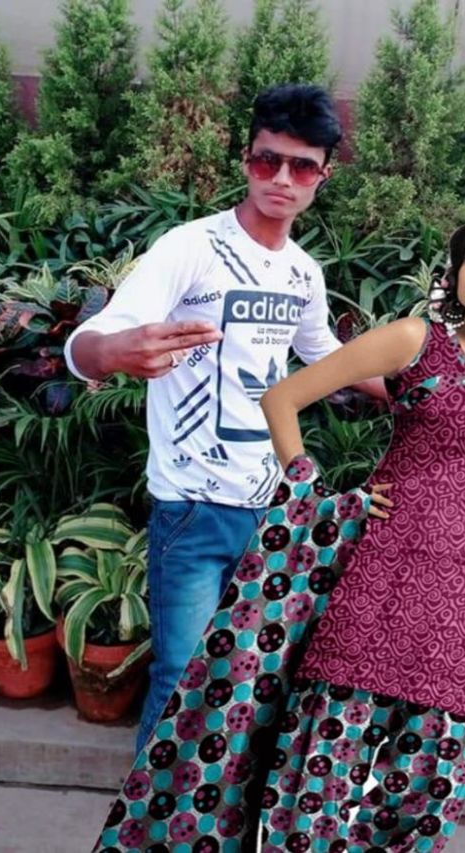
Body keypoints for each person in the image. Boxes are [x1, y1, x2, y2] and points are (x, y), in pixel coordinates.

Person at [64, 83, 386, 752]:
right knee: (180, 677)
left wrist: (416, 389)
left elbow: (324, 354)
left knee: (244, 676)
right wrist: (112, 352)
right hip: (191, 506)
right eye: (268, 160)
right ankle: (153, 806)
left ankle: (215, 803)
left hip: (268, 504)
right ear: (246, 160)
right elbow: (94, 339)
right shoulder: (191, 248)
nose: (282, 179)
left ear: (323, 177)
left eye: (302, 167)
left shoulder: (302, 273)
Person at [257, 203, 465, 850]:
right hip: (378, 586)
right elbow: (282, 397)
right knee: (319, 786)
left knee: (426, 799)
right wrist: (317, 498)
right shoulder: (415, 341)